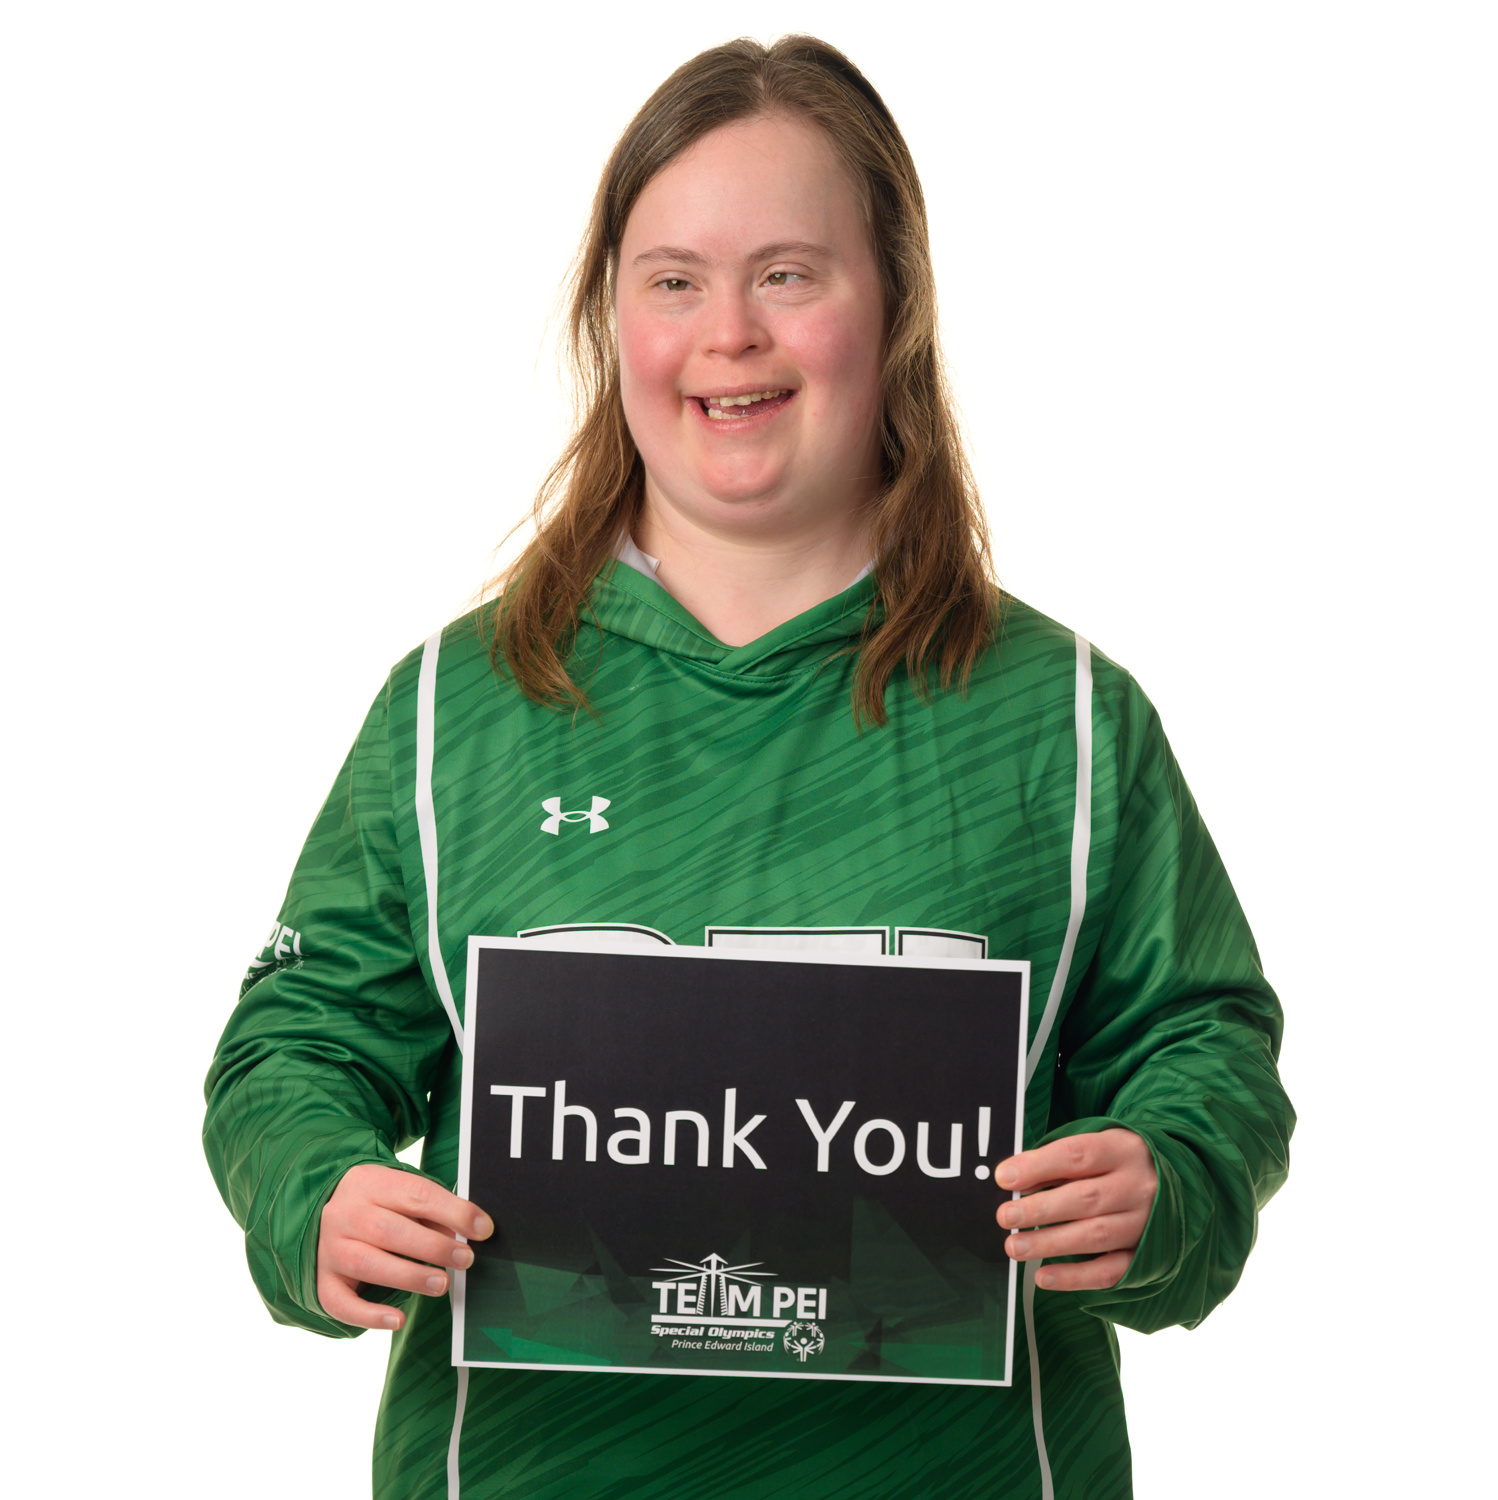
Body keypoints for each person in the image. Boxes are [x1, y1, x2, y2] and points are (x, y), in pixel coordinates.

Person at [204, 34, 1292, 1500]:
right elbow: (295, 1043)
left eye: (789, 272)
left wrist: (1165, 1178)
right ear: (613, 317)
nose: (730, 334)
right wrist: (318, 1193)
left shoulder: (1069, 720)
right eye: (674, 280)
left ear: (891, 303)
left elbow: (1207, 1050)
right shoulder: (454, 711)